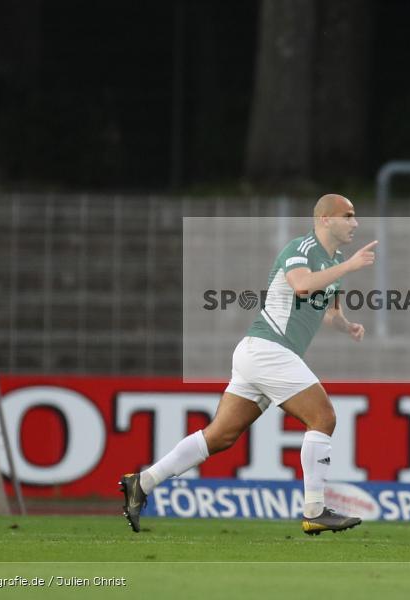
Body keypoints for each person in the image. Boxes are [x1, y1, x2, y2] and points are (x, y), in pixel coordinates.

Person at [120, 194, 377, 535]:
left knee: (220, 436)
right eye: (349, 216)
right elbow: (301, 286)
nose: (355, 223)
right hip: (269, 349)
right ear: (326, 219)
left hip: (260, 354)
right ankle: (315, 510)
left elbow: (329, 311)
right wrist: (350, 266)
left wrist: (347, 325)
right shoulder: (301, 250)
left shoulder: (337, 259)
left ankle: (143, 482)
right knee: (323, 417)